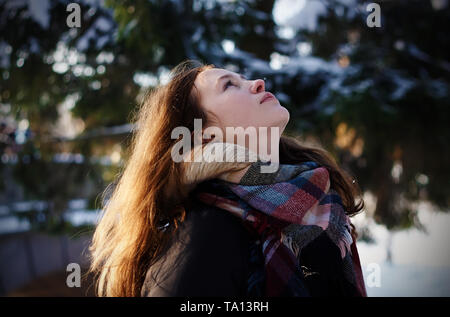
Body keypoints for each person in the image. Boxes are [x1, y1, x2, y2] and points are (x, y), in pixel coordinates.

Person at [88, 59, 367, 297]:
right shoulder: (207, 233)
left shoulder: (317, 202)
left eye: (242, 79)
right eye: (229, 85)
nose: (257, 82)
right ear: (206, 135)